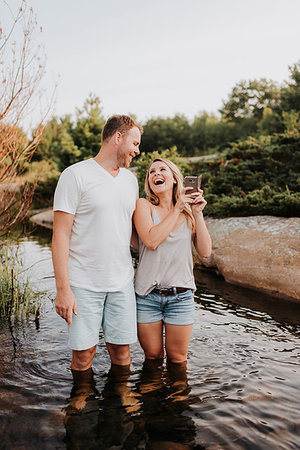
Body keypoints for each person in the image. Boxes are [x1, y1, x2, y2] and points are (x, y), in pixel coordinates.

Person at [52, 115, 143, 372]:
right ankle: (81, 402)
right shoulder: (75, 175)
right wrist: (63, 290)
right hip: (83, 284)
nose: (137, 150)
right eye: (134, 143)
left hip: (122, 282)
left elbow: (132, 231)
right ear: (118, 138)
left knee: (122, 353)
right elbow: (60, 236)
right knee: (83, 356)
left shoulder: (130, 180)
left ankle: (122, 401)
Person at [133, 158, 212, 366]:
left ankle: (177, 399)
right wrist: (177, 208)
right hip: (148, 296)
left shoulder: (188, 214)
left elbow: (205, 251)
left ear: (175, 178)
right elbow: (150, 241)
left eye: (162, 169)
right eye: (151, 172)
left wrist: (197, 212)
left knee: (178, 361)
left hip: (181, 297)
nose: (156, 174)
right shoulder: (144, 206)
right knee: (152, 359)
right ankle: (153, 398)